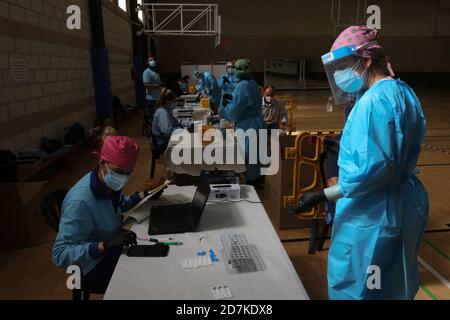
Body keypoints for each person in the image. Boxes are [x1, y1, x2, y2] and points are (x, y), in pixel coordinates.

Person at [290, 25, 428, 300]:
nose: (339, 75)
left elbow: (366, 174)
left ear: (365, 60)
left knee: (360, 288)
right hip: (402, 206)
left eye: (343, 65)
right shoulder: (402, 92)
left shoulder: (373, 103)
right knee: (389, 285)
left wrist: (322, 194)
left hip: (370, 216)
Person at [52, 136, 148, 292]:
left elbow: (116, 206)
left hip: (112, 243)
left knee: (154, 251)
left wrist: (140, 196)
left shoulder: (108, 182)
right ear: (102, 163)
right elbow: (60, 254)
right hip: (92, 265)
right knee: (146, 276)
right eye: (119, 172)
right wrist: (103, 246)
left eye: (128, 173)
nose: (122, 178)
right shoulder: (80, 203)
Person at [219, 58, 266, 185]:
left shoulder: (242, 86)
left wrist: (226, 107)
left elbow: (234, 112)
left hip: (248, 126)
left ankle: (251, 185)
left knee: (249, 157)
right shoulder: (252, 83)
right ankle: (258, 180)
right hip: (257, 123)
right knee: (257, 156)